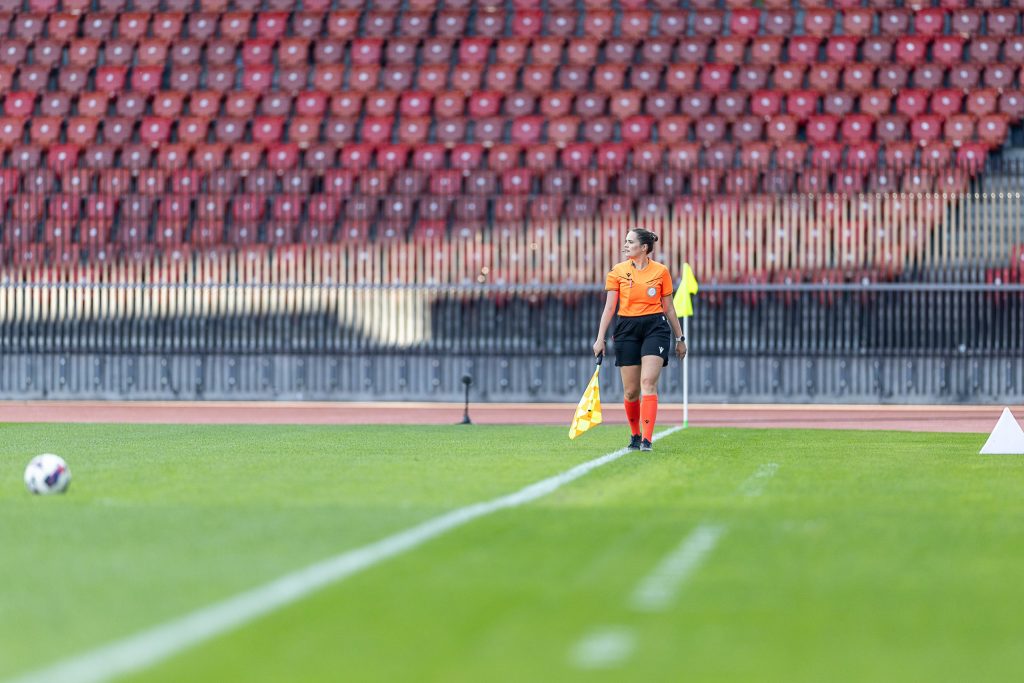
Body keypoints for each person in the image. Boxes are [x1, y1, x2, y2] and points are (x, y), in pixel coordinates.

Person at [593, 229, 687, 452]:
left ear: (644, 247)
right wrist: (599, 338)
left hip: (655, 327)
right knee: (631, 392)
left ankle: (646, 439)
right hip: (626, 328)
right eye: (625, 241)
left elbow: (669, 308)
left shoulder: (661, 271)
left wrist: (680, 338)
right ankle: (635, 434)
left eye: (630, 242)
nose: (625, 245)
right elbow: (609, 308)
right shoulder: (617, 271)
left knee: (648, 383)